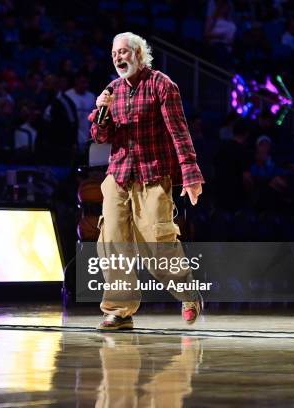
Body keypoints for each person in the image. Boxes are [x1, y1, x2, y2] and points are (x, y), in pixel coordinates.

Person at [90, 32, 204, 330]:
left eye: (124, 52)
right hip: (118, 175)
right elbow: (101, 138)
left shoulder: (162, 85)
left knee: (157, 241)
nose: (118, 58)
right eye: (114, 53)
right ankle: (119, 309)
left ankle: (188, 294)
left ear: (139, 54)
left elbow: (179, 132)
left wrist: (190, 174)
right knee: (112, 240)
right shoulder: (111, 90)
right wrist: (101, 112)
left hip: (153, 174)